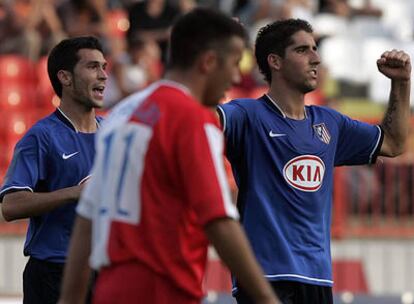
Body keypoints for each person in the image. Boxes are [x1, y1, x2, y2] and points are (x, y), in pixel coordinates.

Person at [58, 8, 280, 304]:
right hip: (164, 291)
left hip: (111, 290)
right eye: (234, 63)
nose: (236, 75)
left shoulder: (122, 115)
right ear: (209, 62)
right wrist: (268, 299)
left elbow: (87, 220)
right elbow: (219, 221)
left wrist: (68, 301)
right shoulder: (191, 119)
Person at [217, 19, 411, 304]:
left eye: (315, 49)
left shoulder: (330, 123)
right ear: (275, 62)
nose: (316, 58)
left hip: (318, 277)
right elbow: (199, 119)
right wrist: (218, 52)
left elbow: (393, 143)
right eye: (302, 50)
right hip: (265, 276)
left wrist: (401, 83)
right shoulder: (246, 115)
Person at [0, 36, 107, 304]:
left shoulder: (114, 133)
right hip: (53, 272)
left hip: (104, 270)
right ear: (65, 77)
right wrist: (76, 193)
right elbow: (11, 206)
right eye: (93, 67)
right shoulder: (41, 137)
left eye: (104, 67)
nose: (104, 75)